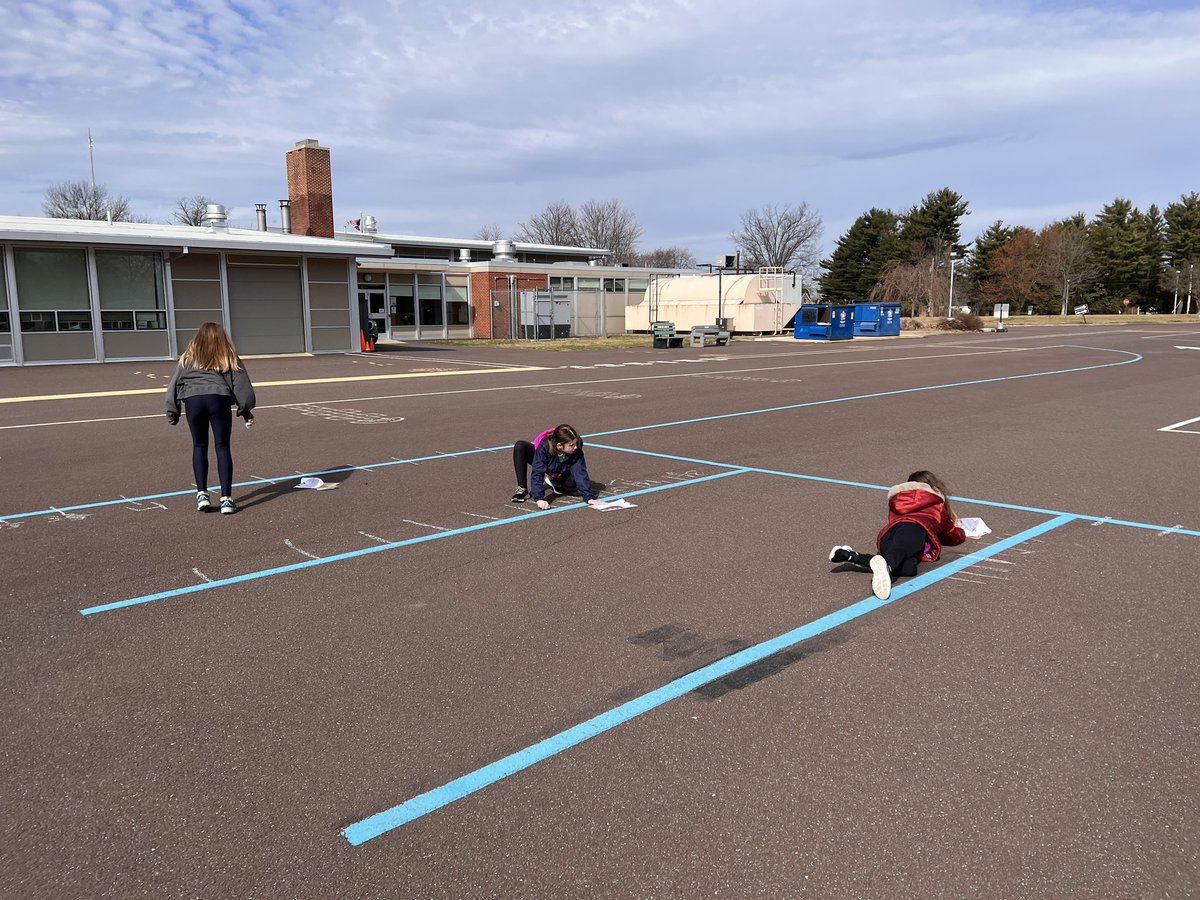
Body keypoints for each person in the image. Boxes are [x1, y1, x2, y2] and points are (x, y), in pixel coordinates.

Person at [829, 470, 966, 601]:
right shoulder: (936, 504)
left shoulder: (899, 500)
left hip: (888, 535)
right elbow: (951, 536)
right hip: (913, 530)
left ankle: (852, 556)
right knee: (899, 553)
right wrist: (961, 531)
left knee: (909, 568)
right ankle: (886, 564)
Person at [165, 322, 257, 515]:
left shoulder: (188, 357)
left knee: (199, 446)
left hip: (193, 401)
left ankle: (202, 495)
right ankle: (226, 499)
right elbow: (242, 385)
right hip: (218, 399)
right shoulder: (228, 356)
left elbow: (173, 384)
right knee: (222, 446)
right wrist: (246, 410)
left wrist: (172, 412)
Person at [510, 424, 603, 509]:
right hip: (548, 463)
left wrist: (589, 498)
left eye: (575, 443)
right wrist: (539, 498)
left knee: (572, 484)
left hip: (561, 467)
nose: (575, 447)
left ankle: (555, 481)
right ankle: (522, 489)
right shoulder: (544, 447)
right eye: (571, 445)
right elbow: (537, 472)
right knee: (520, 446)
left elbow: (580, 471)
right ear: (559, 446)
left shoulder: (576, 447)